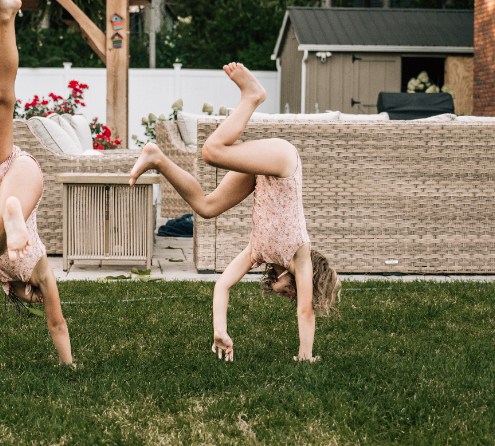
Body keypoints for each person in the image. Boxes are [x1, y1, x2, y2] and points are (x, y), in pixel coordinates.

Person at [130, 63, 340, 363]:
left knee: (206, 207)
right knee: (211, 152)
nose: (290, 298)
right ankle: (252, 96)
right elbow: (305, 313)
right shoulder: (300, 255)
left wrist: (220, 330)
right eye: (293, 294)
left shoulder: (259, 252)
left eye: (291, 298)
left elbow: (222, 285)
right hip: (283, 164)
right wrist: (305, 356)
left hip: (264, 175)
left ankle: (157, 157)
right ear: (303, 281)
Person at [0, 0, 73, 368]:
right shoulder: (40, 268)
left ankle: (6, 14)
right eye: (39, 299)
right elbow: (58, 325)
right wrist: (68, 365)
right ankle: (11, 214)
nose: (39, 299)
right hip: (24, 175)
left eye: (33, 301)